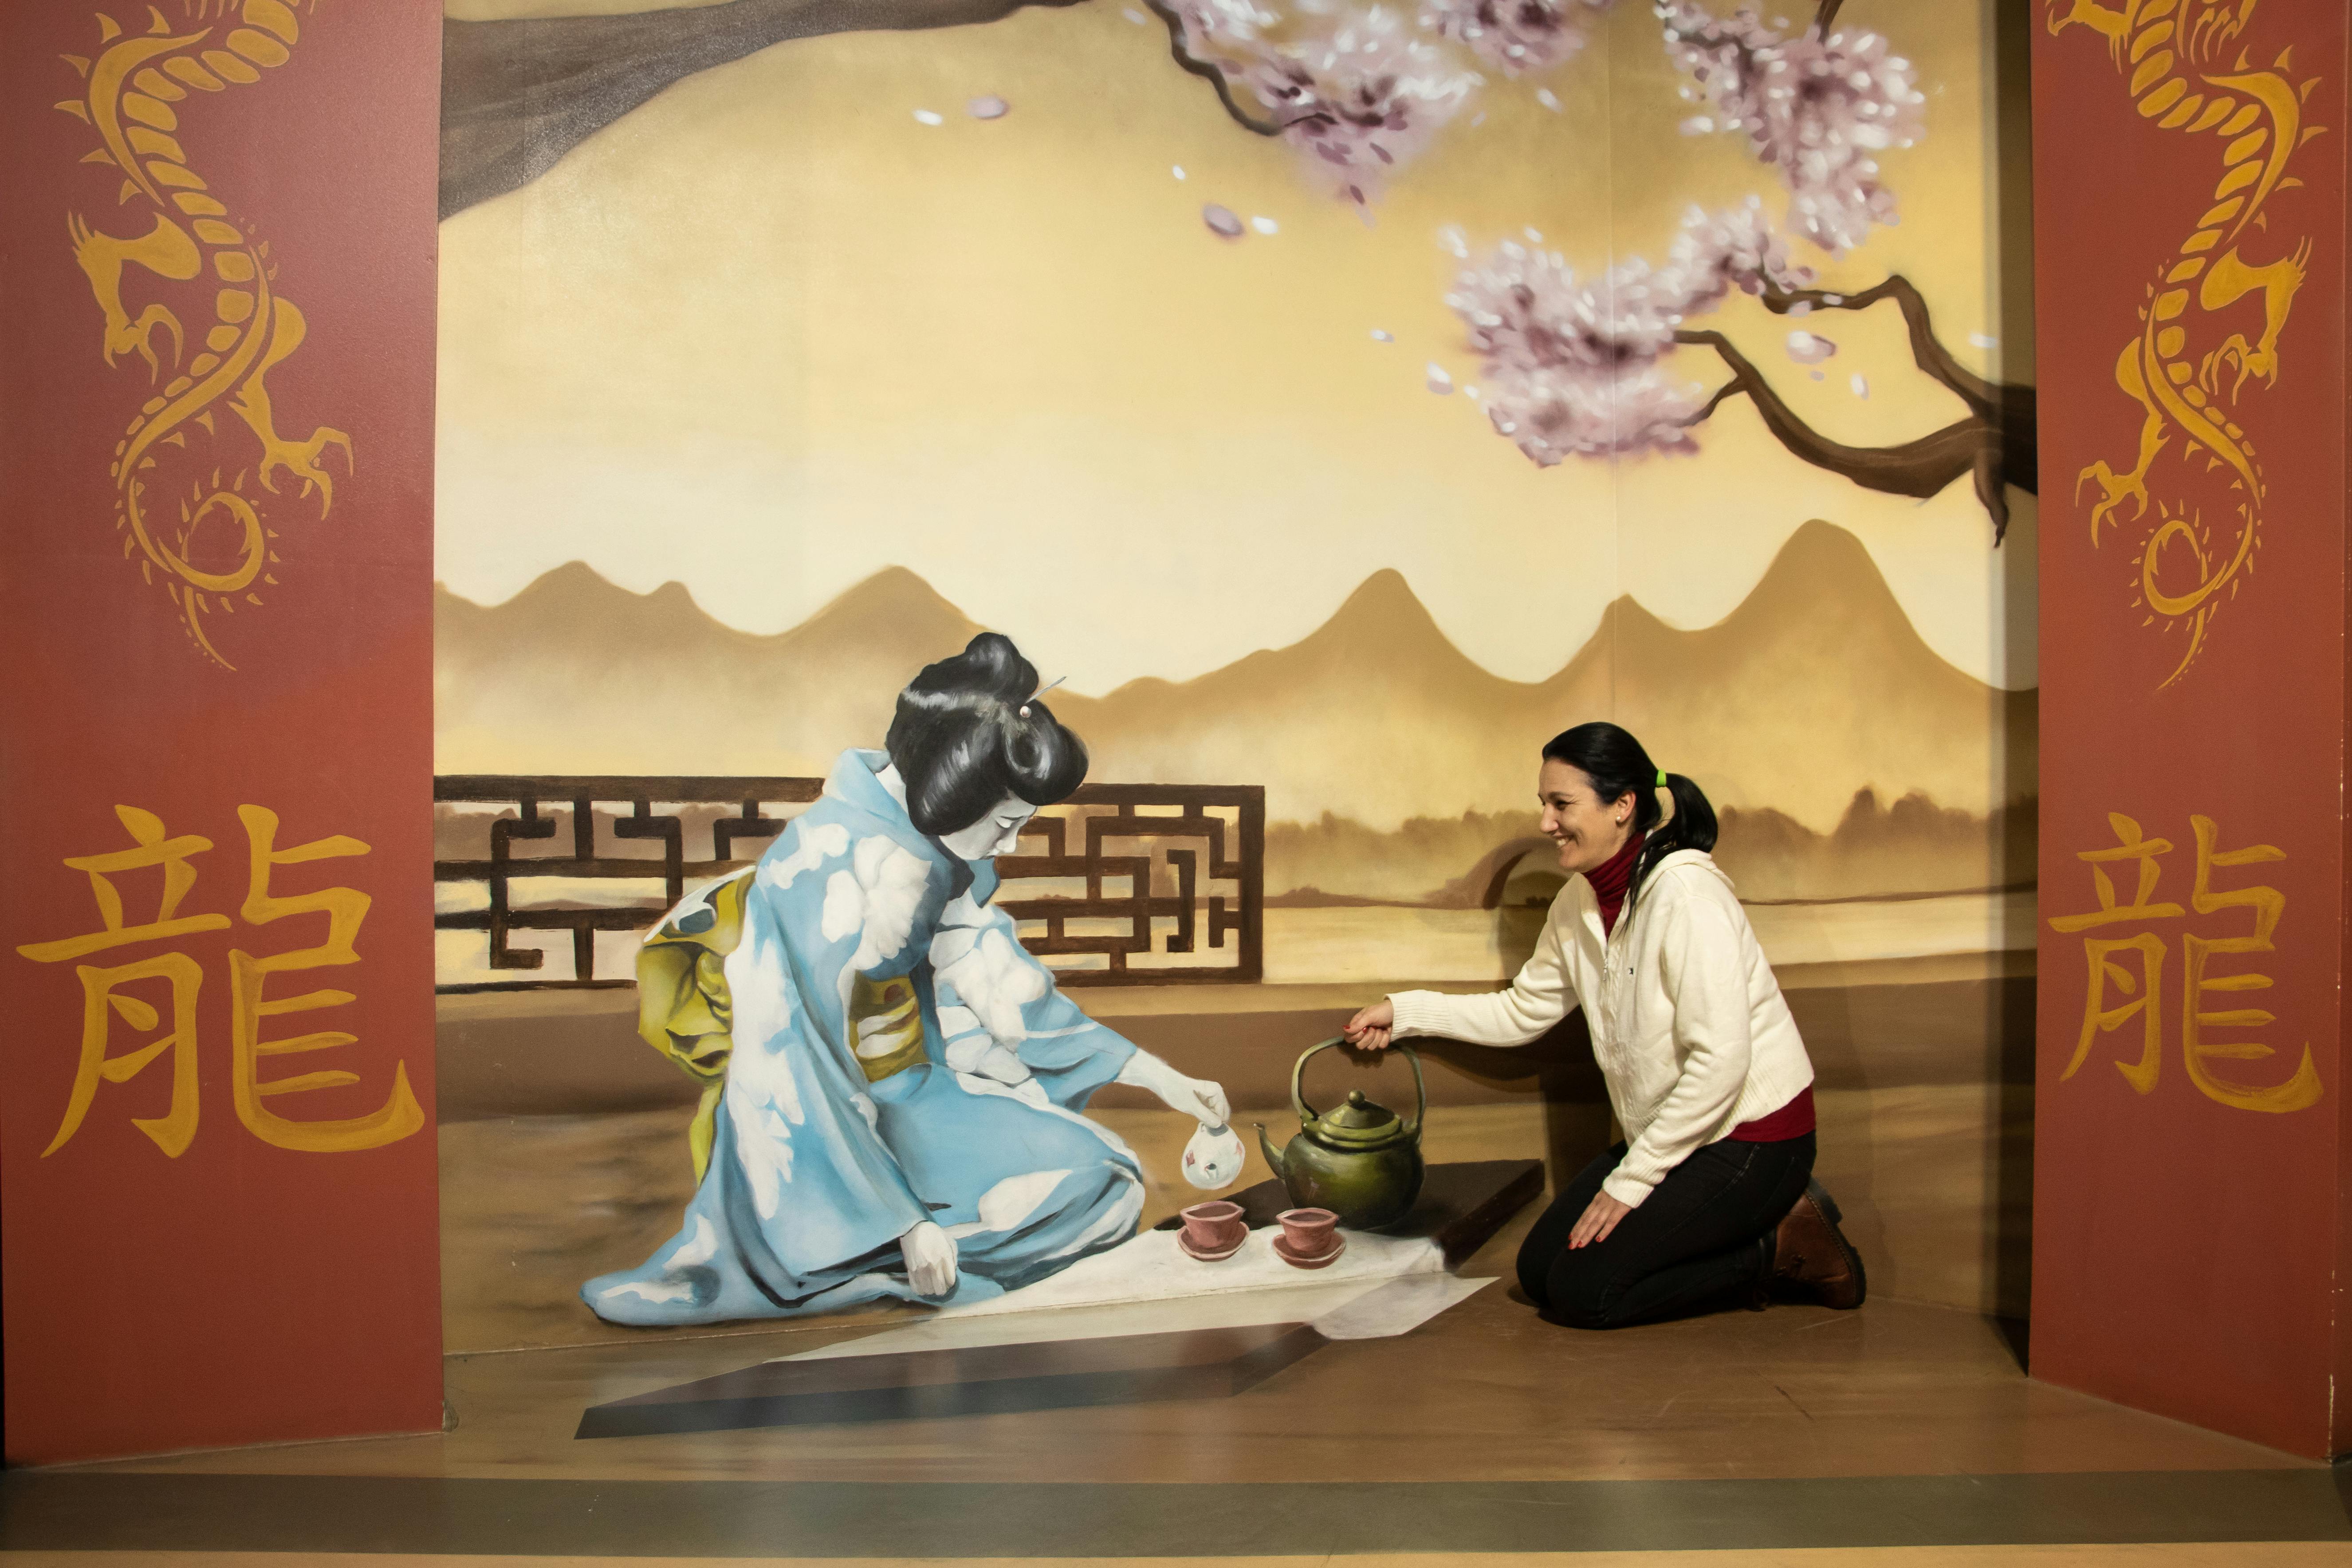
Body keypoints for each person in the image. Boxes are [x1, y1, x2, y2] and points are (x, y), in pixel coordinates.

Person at [585, 633, 1230, 1325]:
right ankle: (876, 1250)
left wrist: (1155, 1076)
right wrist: (897, 1221)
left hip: (908, 1090)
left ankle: (917, 1243)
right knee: (1078, 1204)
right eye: (1007, 824)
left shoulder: (921, 841)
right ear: (950, 792)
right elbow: (793, 1062)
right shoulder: (833, 871)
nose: (1010, 846)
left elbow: (999, 981)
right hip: (809, 1127)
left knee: (1104, 1182)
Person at [1343, 722, 1864, 1329]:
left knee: (1587, 1292)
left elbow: (1721, 1061)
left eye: (1561, 804)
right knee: (1540, 1273)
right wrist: (1404, 1013)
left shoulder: (1686, 896)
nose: (1545, 822)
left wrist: (1631, 1180)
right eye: (1543, 803)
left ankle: (1778, 1249)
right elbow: (1521, 1012)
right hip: (1681, 1137)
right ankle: (1746, 1236)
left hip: (1752, 1141)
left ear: (1623, 806)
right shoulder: (1576, 905)